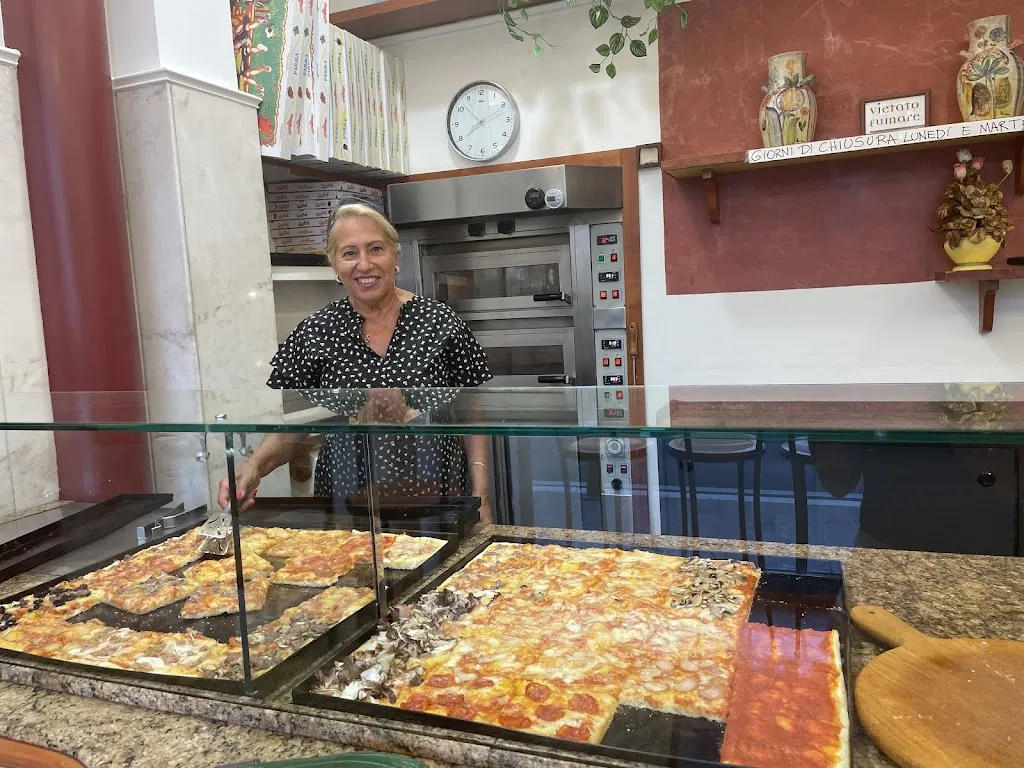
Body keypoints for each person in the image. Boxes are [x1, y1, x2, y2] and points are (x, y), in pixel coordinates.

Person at [218, 202, 494, 522]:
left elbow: (474, 412)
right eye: (349, 253)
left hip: (436, 495)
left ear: (395, 257)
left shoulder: (439, 321)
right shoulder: (315, 332)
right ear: (334, 264)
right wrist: (253, 467)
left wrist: (481, 497)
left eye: (375, 249)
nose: (364, 264)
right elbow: (295, 429)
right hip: (345, 505)